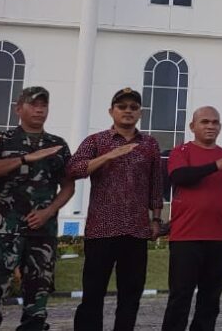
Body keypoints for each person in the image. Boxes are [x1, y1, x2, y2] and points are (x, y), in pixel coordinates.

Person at [0, 86, 74, 331]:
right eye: (33, 104)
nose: (39, 109)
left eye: (43, 105)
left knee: (38, 291)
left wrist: (49, 211)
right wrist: (24, 159)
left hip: (42, 231)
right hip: (3, 229)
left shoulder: (57, 145)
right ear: (18, 108)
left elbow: (68, 187)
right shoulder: (2, 140)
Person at [67, 88, 163, 331]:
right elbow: (74, 169)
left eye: (133, 107)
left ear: (140, 113)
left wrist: (156, 219)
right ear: (111, 111)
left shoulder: (149, 143)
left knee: (131, 295)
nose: (128, 111)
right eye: (122, 107)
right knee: (93, 294)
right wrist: (107, 157)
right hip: (102, 229)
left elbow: (156, 184)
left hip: (136, 230)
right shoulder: (96, 141)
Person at [160, 106, 222, 331]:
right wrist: (215, 166)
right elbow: (181, 177)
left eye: (215, 122)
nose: (210, 126)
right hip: (186, 237)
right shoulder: (181, 152)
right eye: (205, 122)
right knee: (180, 297)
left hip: (220, 238)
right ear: (192, 127)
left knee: (210, 301)